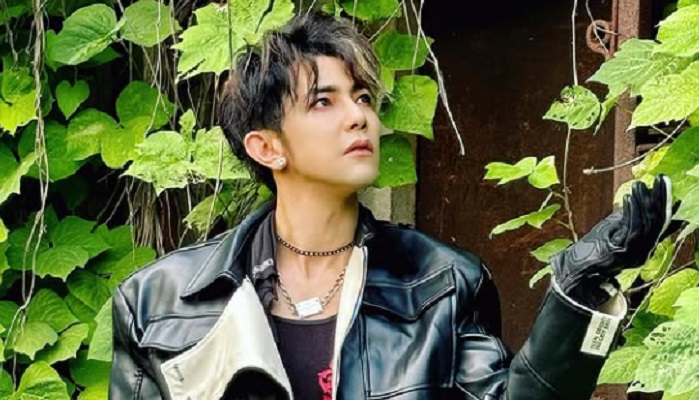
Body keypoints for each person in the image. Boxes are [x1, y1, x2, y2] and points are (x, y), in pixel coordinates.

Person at [109, 11, 677, 400]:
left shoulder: (444, 282)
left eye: (362, 97)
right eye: (324, 101)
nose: (359, 116)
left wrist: (577, 292)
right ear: (267, 147)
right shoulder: (158, 304)